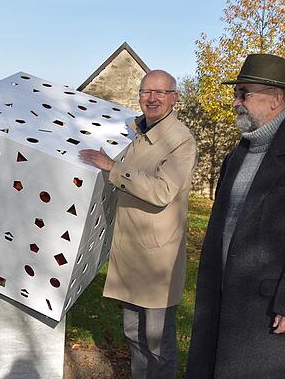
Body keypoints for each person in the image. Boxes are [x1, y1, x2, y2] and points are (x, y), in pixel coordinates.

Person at [185, 54, 285, 378]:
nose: (236, 102)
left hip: (268, 308)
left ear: (276, 98)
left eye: (244, 93)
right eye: (236, 93)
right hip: (222, 297)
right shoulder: (237, 154)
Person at [79, 69, 197, 378]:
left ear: (174, 98)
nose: (152, 98)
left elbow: (162, 191)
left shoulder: (180, 141)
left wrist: (113, 167)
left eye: (160, 92)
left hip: (158, 258)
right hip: (130, 251)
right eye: (146, 92)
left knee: (158, 343)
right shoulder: (138, 134)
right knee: (133, 333)